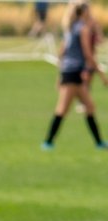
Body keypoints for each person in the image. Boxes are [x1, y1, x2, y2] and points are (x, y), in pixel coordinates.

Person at [42, 1, 105, 148]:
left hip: (70, 72)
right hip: (74, 73)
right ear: (84, 12)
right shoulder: (82, 29)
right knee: (62, 109)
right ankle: (48, 142)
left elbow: (62, 53)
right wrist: (101, 74)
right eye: (89, 10)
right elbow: (88, 54)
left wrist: (60, 74)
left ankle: (99, 143)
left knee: (89, 107)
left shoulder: (70, 28)